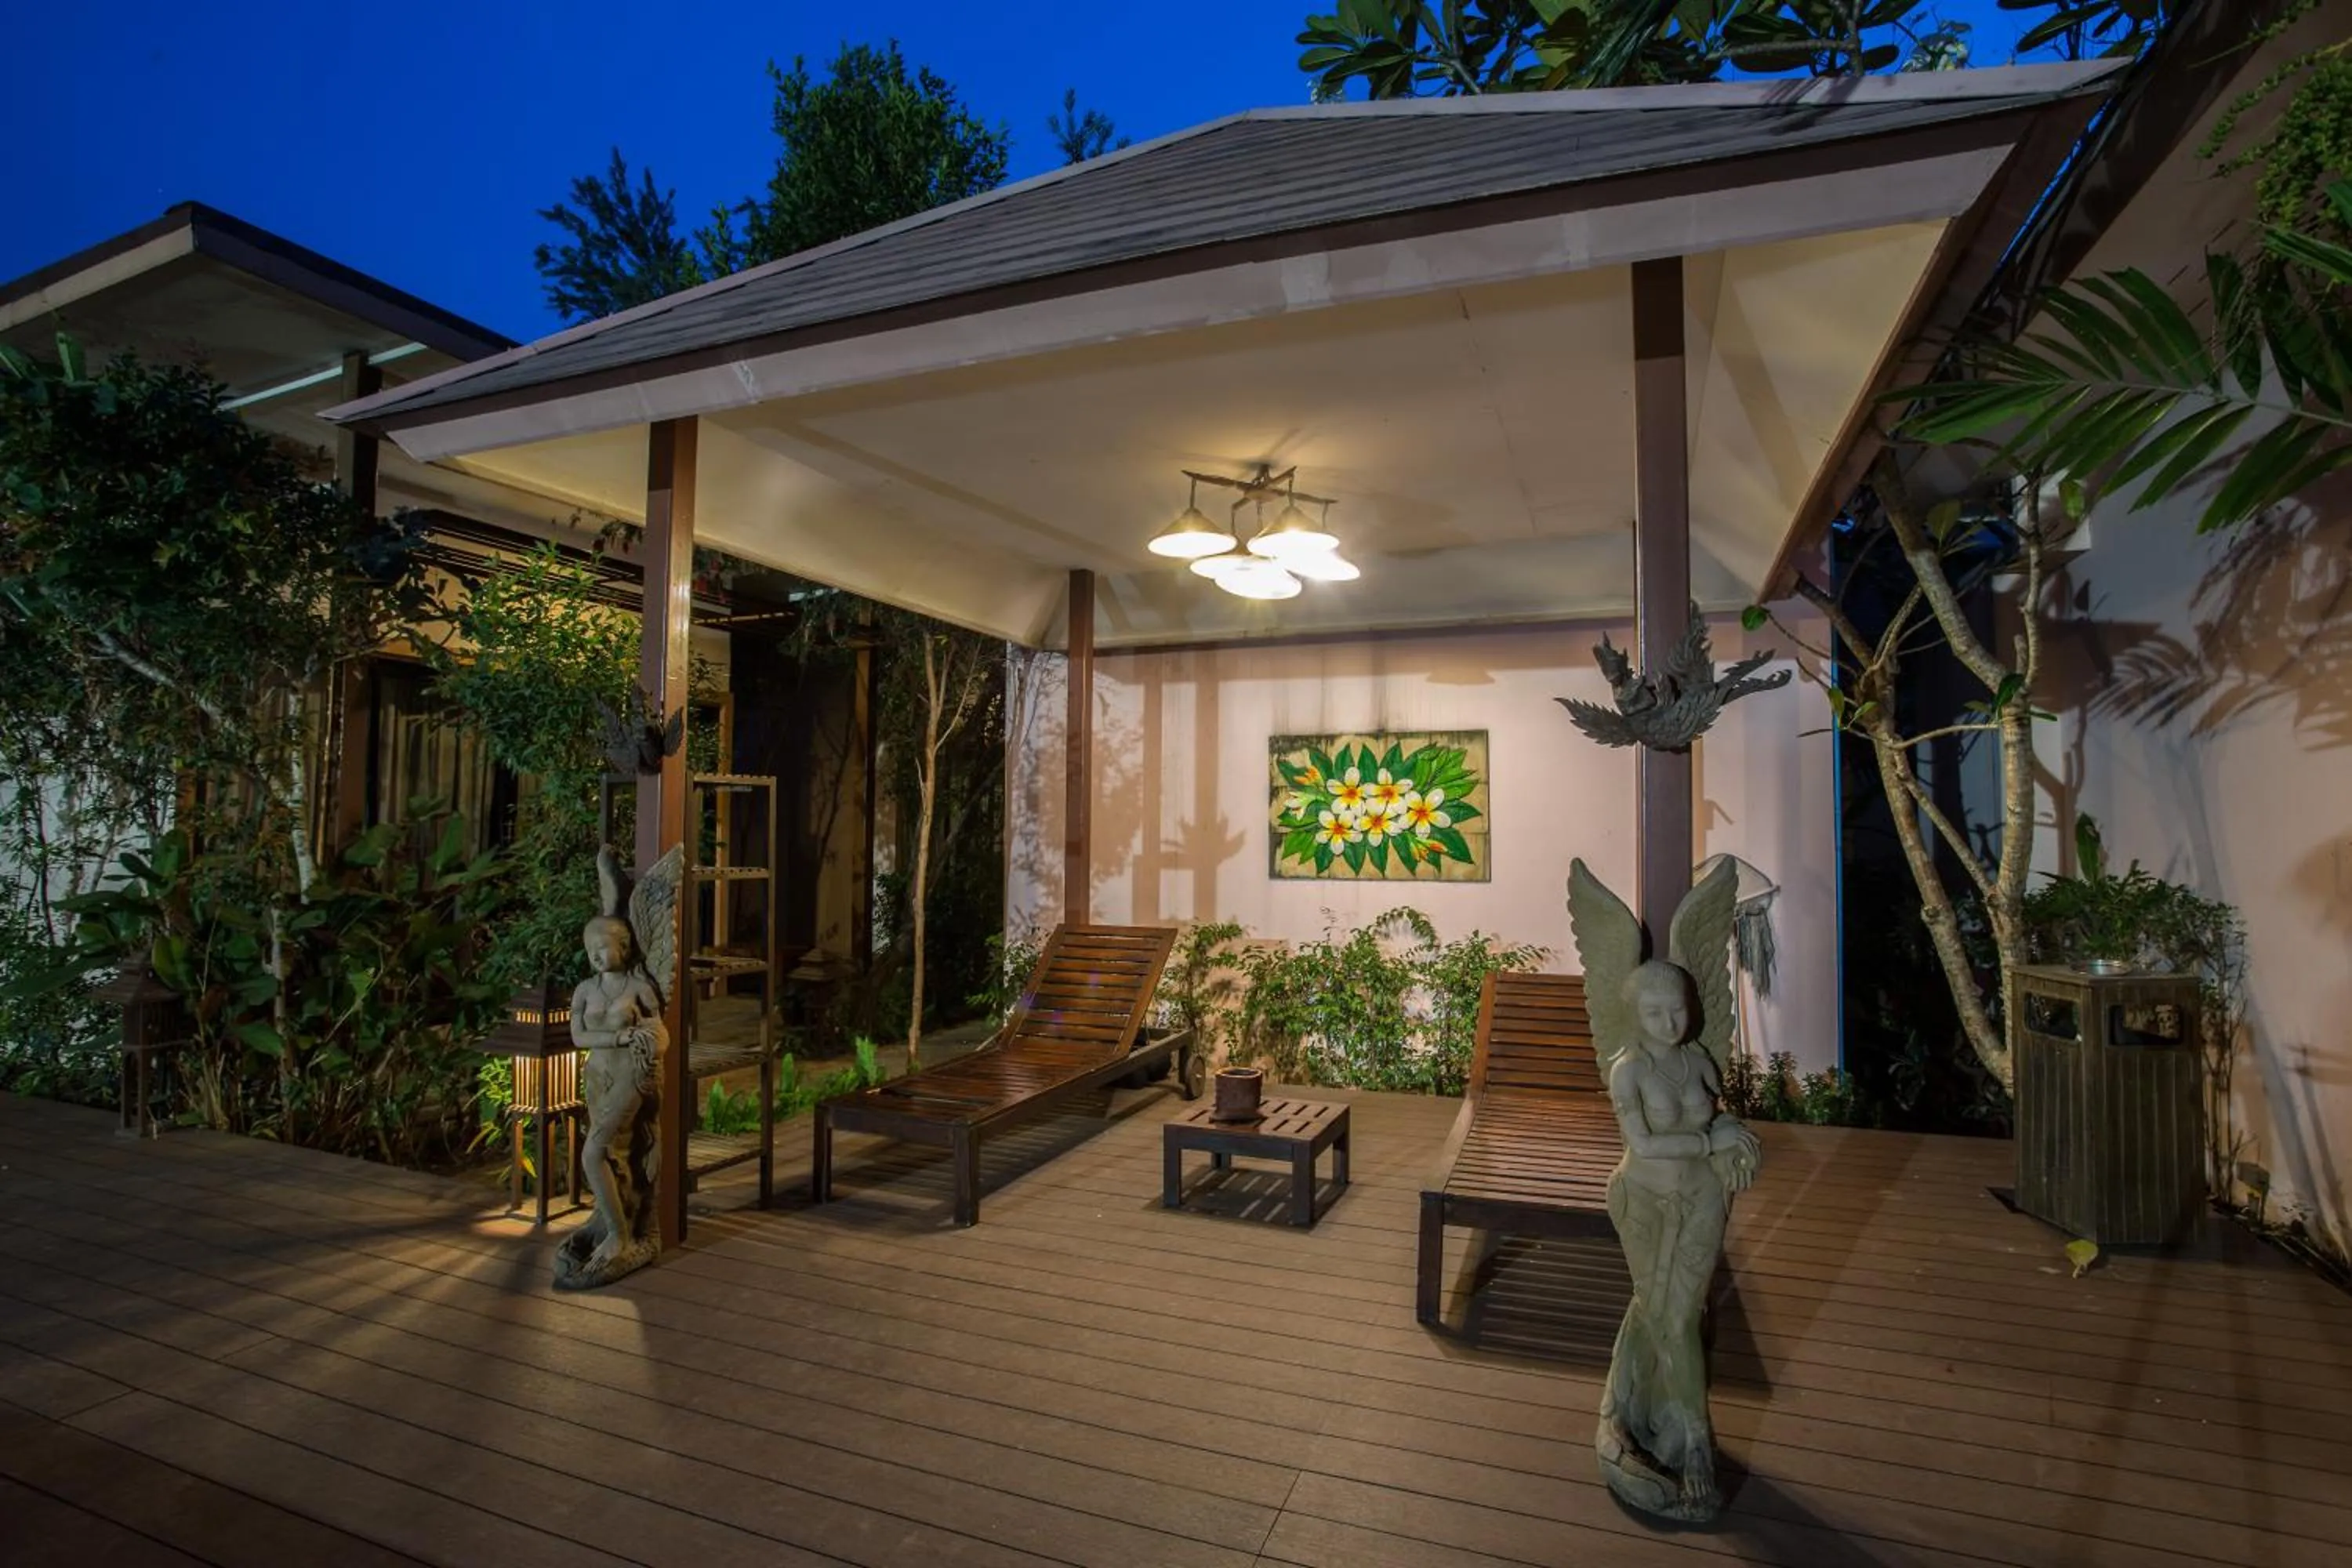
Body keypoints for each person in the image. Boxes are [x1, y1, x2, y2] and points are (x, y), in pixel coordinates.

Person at [1597, 959, 1762, 1521]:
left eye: (1678, 1010)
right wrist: (1711, 1141)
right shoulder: (1629, 1070)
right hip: (1643, 1202)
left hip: (1704, 1198)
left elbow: (1721, 1116)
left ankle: (1687, 1437)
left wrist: (1732, 1138)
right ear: (1632, 1016)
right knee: (1661, 1311)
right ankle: (1670, 1429)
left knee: (1683, 1312)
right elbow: (1642, 1145)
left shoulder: (1698, 1060)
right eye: (1653, 1013)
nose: (1669, 1023)